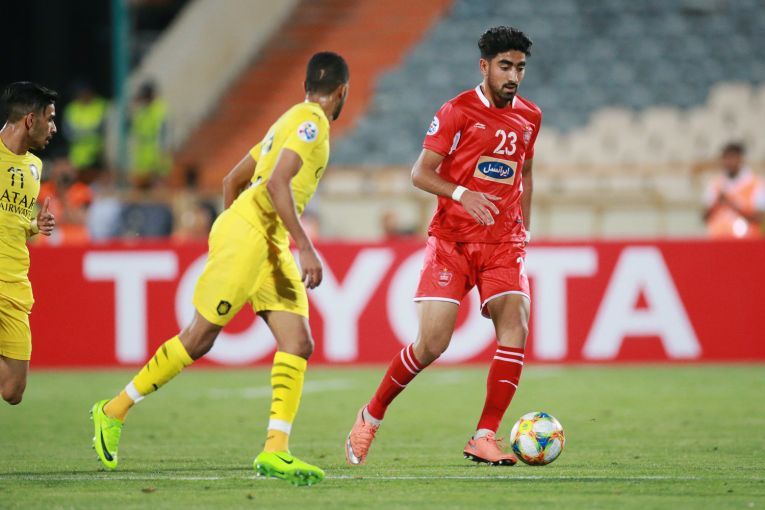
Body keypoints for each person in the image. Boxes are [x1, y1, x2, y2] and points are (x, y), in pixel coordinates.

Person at [91, 52, 350, 486]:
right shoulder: (313, 124)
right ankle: (113, 410)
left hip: (263, 238)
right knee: (198, 339)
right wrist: (298, 245)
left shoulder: (288, 119)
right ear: (342, 91)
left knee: (298, 341)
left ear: (307, 85)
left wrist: (238, 230)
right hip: (254, 235)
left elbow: (233, 180)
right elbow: (276, 183)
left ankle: (276, 450)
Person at [345, 26, 541, 466]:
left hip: (503, 243)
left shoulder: (531, 116)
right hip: (452, 241)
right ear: (484, 67)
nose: (513, 76)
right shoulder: (456, 111)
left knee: (516, 327)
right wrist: (461, 194)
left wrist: (525, 231)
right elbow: (420, 173)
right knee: (432, 344)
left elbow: (525, 173)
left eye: (520, 68)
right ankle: (371, 414)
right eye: (505, 67)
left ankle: (485, 435)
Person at [0, 82, 58, 404]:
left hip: (15, 285)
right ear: (30, 120)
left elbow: (13, 221)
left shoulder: (35, 167)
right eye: (50, 119)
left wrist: (36, 225)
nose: (54, 128)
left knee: (13, 391)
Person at [702, 142, 764, 239]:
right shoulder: (715, 184)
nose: (729, 162)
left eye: (733, 157)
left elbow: (759, 218)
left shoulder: (756, 184)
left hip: (747, 242)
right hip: (718, 241)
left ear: (741, 159)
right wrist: (717, 202)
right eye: (726, 158)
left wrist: (732, 205)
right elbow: (704, 217)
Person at [129, 81, 171, 189]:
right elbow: (135, 130)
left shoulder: (160, 110)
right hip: (143, 162)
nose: (144, 99)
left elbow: (164, 137)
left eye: (146, 96)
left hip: (157, 161)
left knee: (158, 191)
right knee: (141, 191)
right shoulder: (141, 111)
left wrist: (161, 162)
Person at [63, 81, 108, 178]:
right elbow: (67, 133)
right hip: (77, 159)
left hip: (97, 157)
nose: (82, 95)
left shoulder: (101, 106)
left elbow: (108, 132)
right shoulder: (71, 109)